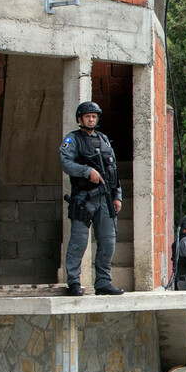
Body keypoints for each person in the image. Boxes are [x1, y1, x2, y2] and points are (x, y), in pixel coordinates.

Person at [60, 101, 123, 296]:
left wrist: (117, 196)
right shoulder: (73, 139)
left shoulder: (103, 140)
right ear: (80, 119)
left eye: (94, 116)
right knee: (78, 242)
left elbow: (113, 171)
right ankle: (73, 282)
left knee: (108, 242)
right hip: (84, 198)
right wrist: (87, 171)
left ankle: (103, 282)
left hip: (105, 199)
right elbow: (66, 163)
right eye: (88, 116)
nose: (91, 119)